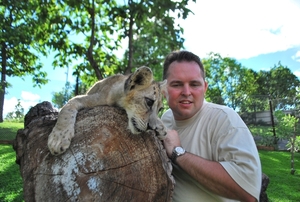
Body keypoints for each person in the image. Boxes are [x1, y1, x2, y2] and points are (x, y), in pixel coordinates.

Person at [161, 50, 262, 202]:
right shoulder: (166, 119)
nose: (186, 92)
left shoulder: (224, 119)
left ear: (205, 88)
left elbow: (248, 191)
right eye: (177, 84)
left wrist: (178, 153)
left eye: (194, 84)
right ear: (164, 90)